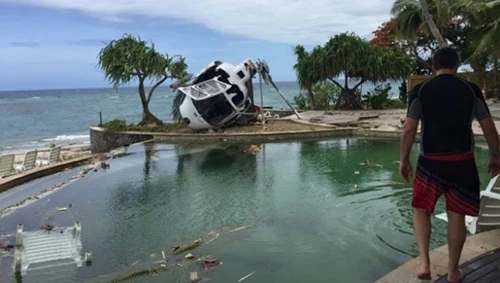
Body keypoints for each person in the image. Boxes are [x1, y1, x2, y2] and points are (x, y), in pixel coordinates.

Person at [399, 46, 500, 283]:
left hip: (429, 163)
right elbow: (488, 126)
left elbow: (409, 129)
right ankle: (454, 271)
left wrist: (403, 160)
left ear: (433, 67)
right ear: (457, 66)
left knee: (421, 209)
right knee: (457, 215)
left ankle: (424, 262)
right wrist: (496, 155)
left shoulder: (420, 90)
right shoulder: (470, 89)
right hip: (462, 163)